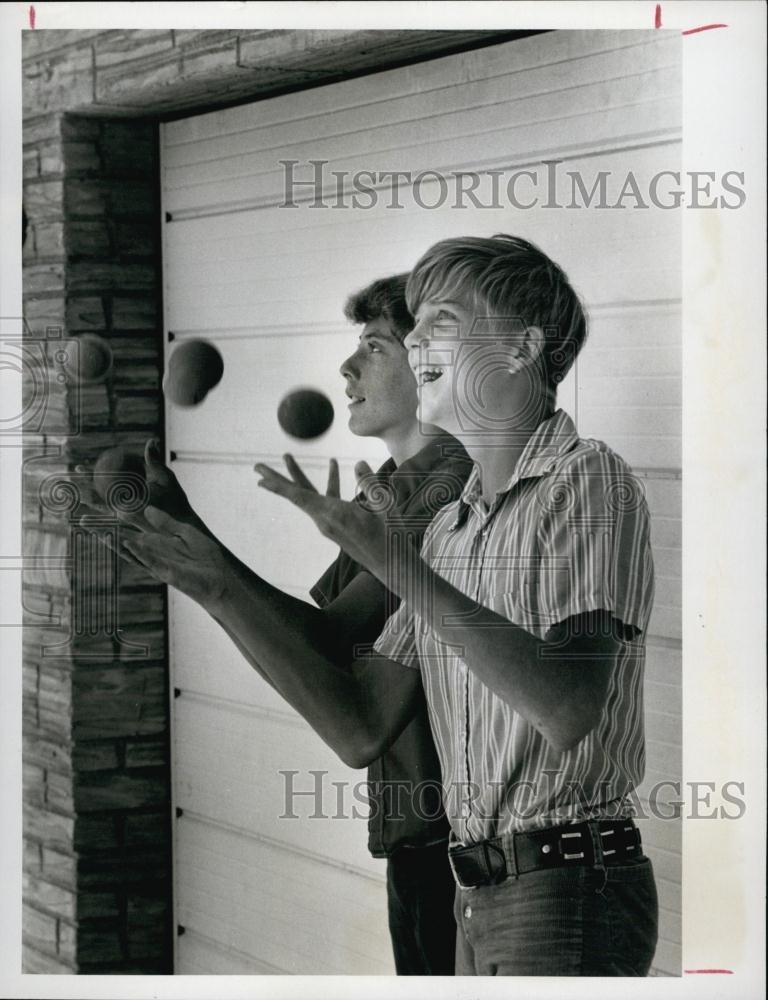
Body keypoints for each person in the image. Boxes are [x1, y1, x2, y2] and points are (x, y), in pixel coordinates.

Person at [115, 235, 658, 976]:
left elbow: (567, 705)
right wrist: (212, 584)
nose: (416, 339)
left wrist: (397, 564)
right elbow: (359, 723)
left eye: (441, 320)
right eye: (414, 325)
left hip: (565, 888)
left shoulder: (589, 478)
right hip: (478, 891)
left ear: (523, 348)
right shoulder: (456, 524)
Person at [78, 274, 471, 976]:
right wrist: (188, 529)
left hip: (454, 845)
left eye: (374, 348)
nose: (347, 369)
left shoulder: (442, 485)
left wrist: (208, 570)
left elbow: (333, 651)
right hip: (420, 838)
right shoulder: (393, 482)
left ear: (433, 365)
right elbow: (323, 632)